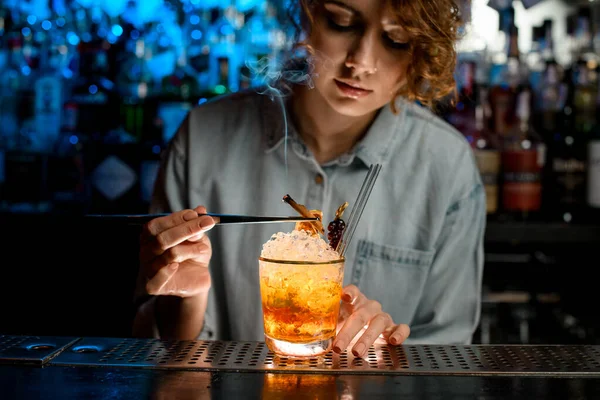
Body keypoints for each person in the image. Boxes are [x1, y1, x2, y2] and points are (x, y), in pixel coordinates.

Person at [132, 0, 486, 357]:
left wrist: (382, 351)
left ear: (422, 50)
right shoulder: (202, 138)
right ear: (307, 14)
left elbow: (448, 354)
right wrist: (185, 303)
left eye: (397, 40)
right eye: (341, 22)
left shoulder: (446, 165)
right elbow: (157, 355)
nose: (361, 62)